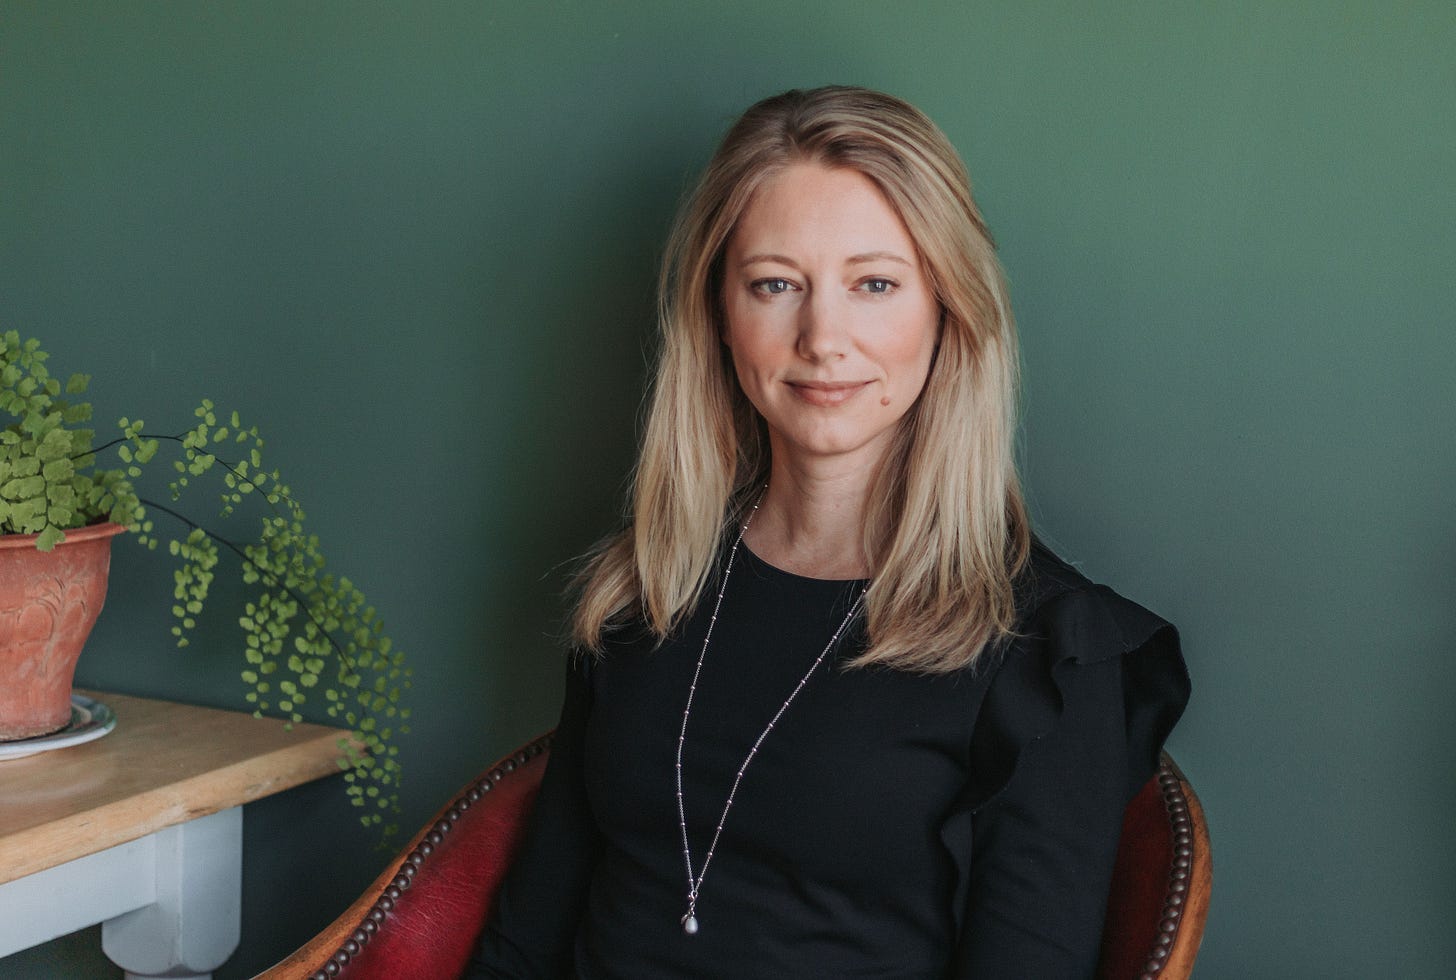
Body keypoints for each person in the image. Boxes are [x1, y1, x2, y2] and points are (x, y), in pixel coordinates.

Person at [467, 85, 1189, 979]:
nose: (822, 337)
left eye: (874, 284)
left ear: (949, 308)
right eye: (775, 284)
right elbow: (525, 939)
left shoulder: (1047, 654)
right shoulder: (645, 587)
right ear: (719, 314)